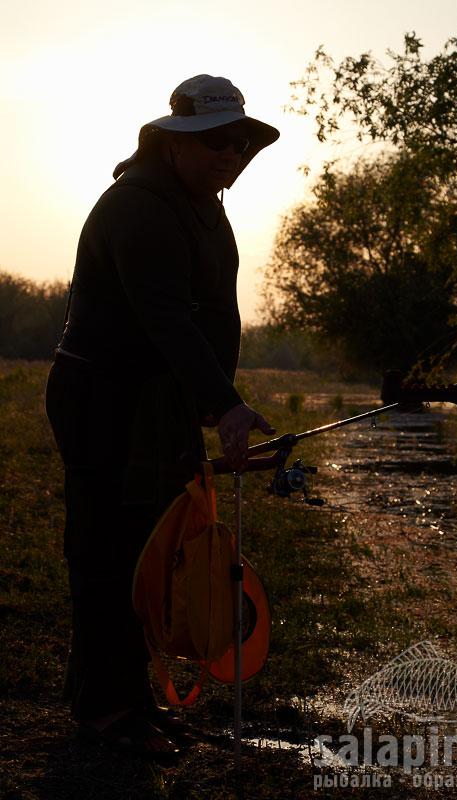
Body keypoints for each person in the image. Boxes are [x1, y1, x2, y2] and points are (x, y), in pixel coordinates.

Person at [45, 74, 279, 760]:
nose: (229, 155)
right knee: (108, 553)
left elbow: (217, 317)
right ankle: (105, 709)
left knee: (155, 556)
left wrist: (218, 400)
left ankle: (129, 698)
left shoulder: (204, 206)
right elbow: (167, 318)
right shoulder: (137, 208)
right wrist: (224, 404)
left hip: (161, 400)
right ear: (171, 142)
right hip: (105, 400)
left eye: (240, 143)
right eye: (213, 141)